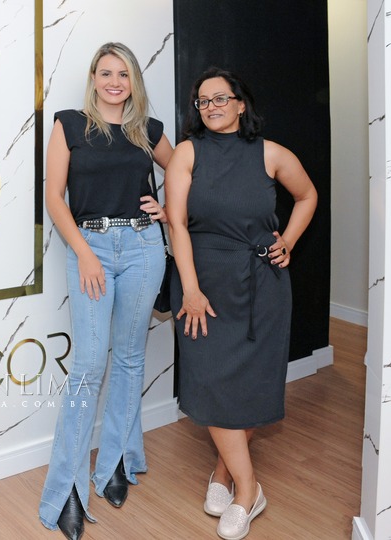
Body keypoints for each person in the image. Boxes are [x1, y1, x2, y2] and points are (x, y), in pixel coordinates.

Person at [164, 67, 317, 540]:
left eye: (220, 98)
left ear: (240, 103)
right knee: (211, 381)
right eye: (203, 101)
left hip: (260, 286)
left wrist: (288, 240)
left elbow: (307, 195)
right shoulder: (187, 153)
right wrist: (190, 289)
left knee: (249, 385)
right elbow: (177, 223)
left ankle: (226, 473)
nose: (211, 107)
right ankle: (251, 489)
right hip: (203, 286)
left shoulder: (271, 153)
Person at [38, 42, 173, 540]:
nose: (115, 82)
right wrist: (85, 252)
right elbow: (54, 197)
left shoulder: (147, 131)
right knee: (89, 366)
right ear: (94, 78)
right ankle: (67, 490)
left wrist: (167, 211)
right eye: (106, 73)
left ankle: (116, 458)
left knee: (131, 358)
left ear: (134, 81)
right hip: (90, 247)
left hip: (143, 247)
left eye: (124, 74)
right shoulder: (71, 125)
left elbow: (186, 171)